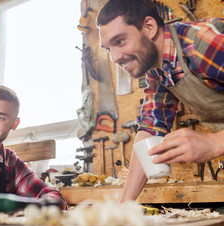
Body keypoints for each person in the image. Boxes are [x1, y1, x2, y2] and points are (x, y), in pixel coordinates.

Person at [96, 0, 224, 202]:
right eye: (108, 48)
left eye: (119, 41)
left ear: (149, 27)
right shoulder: (157, 71)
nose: (114, 58)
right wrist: (123, 208)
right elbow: (149, 130)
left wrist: (215, 143)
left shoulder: (202, 42)